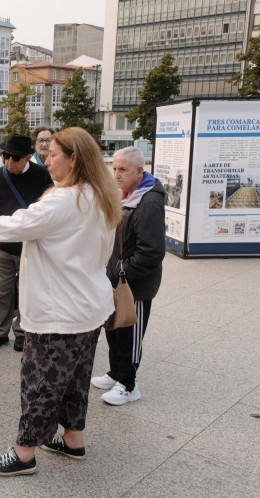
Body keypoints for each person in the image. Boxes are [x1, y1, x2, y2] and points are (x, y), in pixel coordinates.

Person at [0, 127, 122, 477]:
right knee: (75, 380)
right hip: (89, 306)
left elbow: (19, 224)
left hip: (61, 312)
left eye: (53, 155)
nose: (46, 160)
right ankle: (73, 439)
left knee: (41, 381)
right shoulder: (100, 193)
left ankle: (24, 454)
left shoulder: (64, 199)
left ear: (74, 159)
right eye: (46, 154)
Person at [91, 146, 165, 405]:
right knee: (115, 329)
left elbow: (152, 251)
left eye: (122, 169)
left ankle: (129, 385)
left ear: (139, 171)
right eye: (114, 168)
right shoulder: (124, 195)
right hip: (117, 279)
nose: (116, 174)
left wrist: (123, 271)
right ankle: (115, 374)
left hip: (135, 284)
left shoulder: (149, 200)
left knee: (131, 332)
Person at [0, 134, 53, 351]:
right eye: (6, 156)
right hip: (0, 246)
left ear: (28, 158)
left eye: (15, 157)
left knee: (27, 291)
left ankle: (22, 331)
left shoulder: (42, 175)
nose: (10, 161)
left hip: (29, 246)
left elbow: (49, 209)